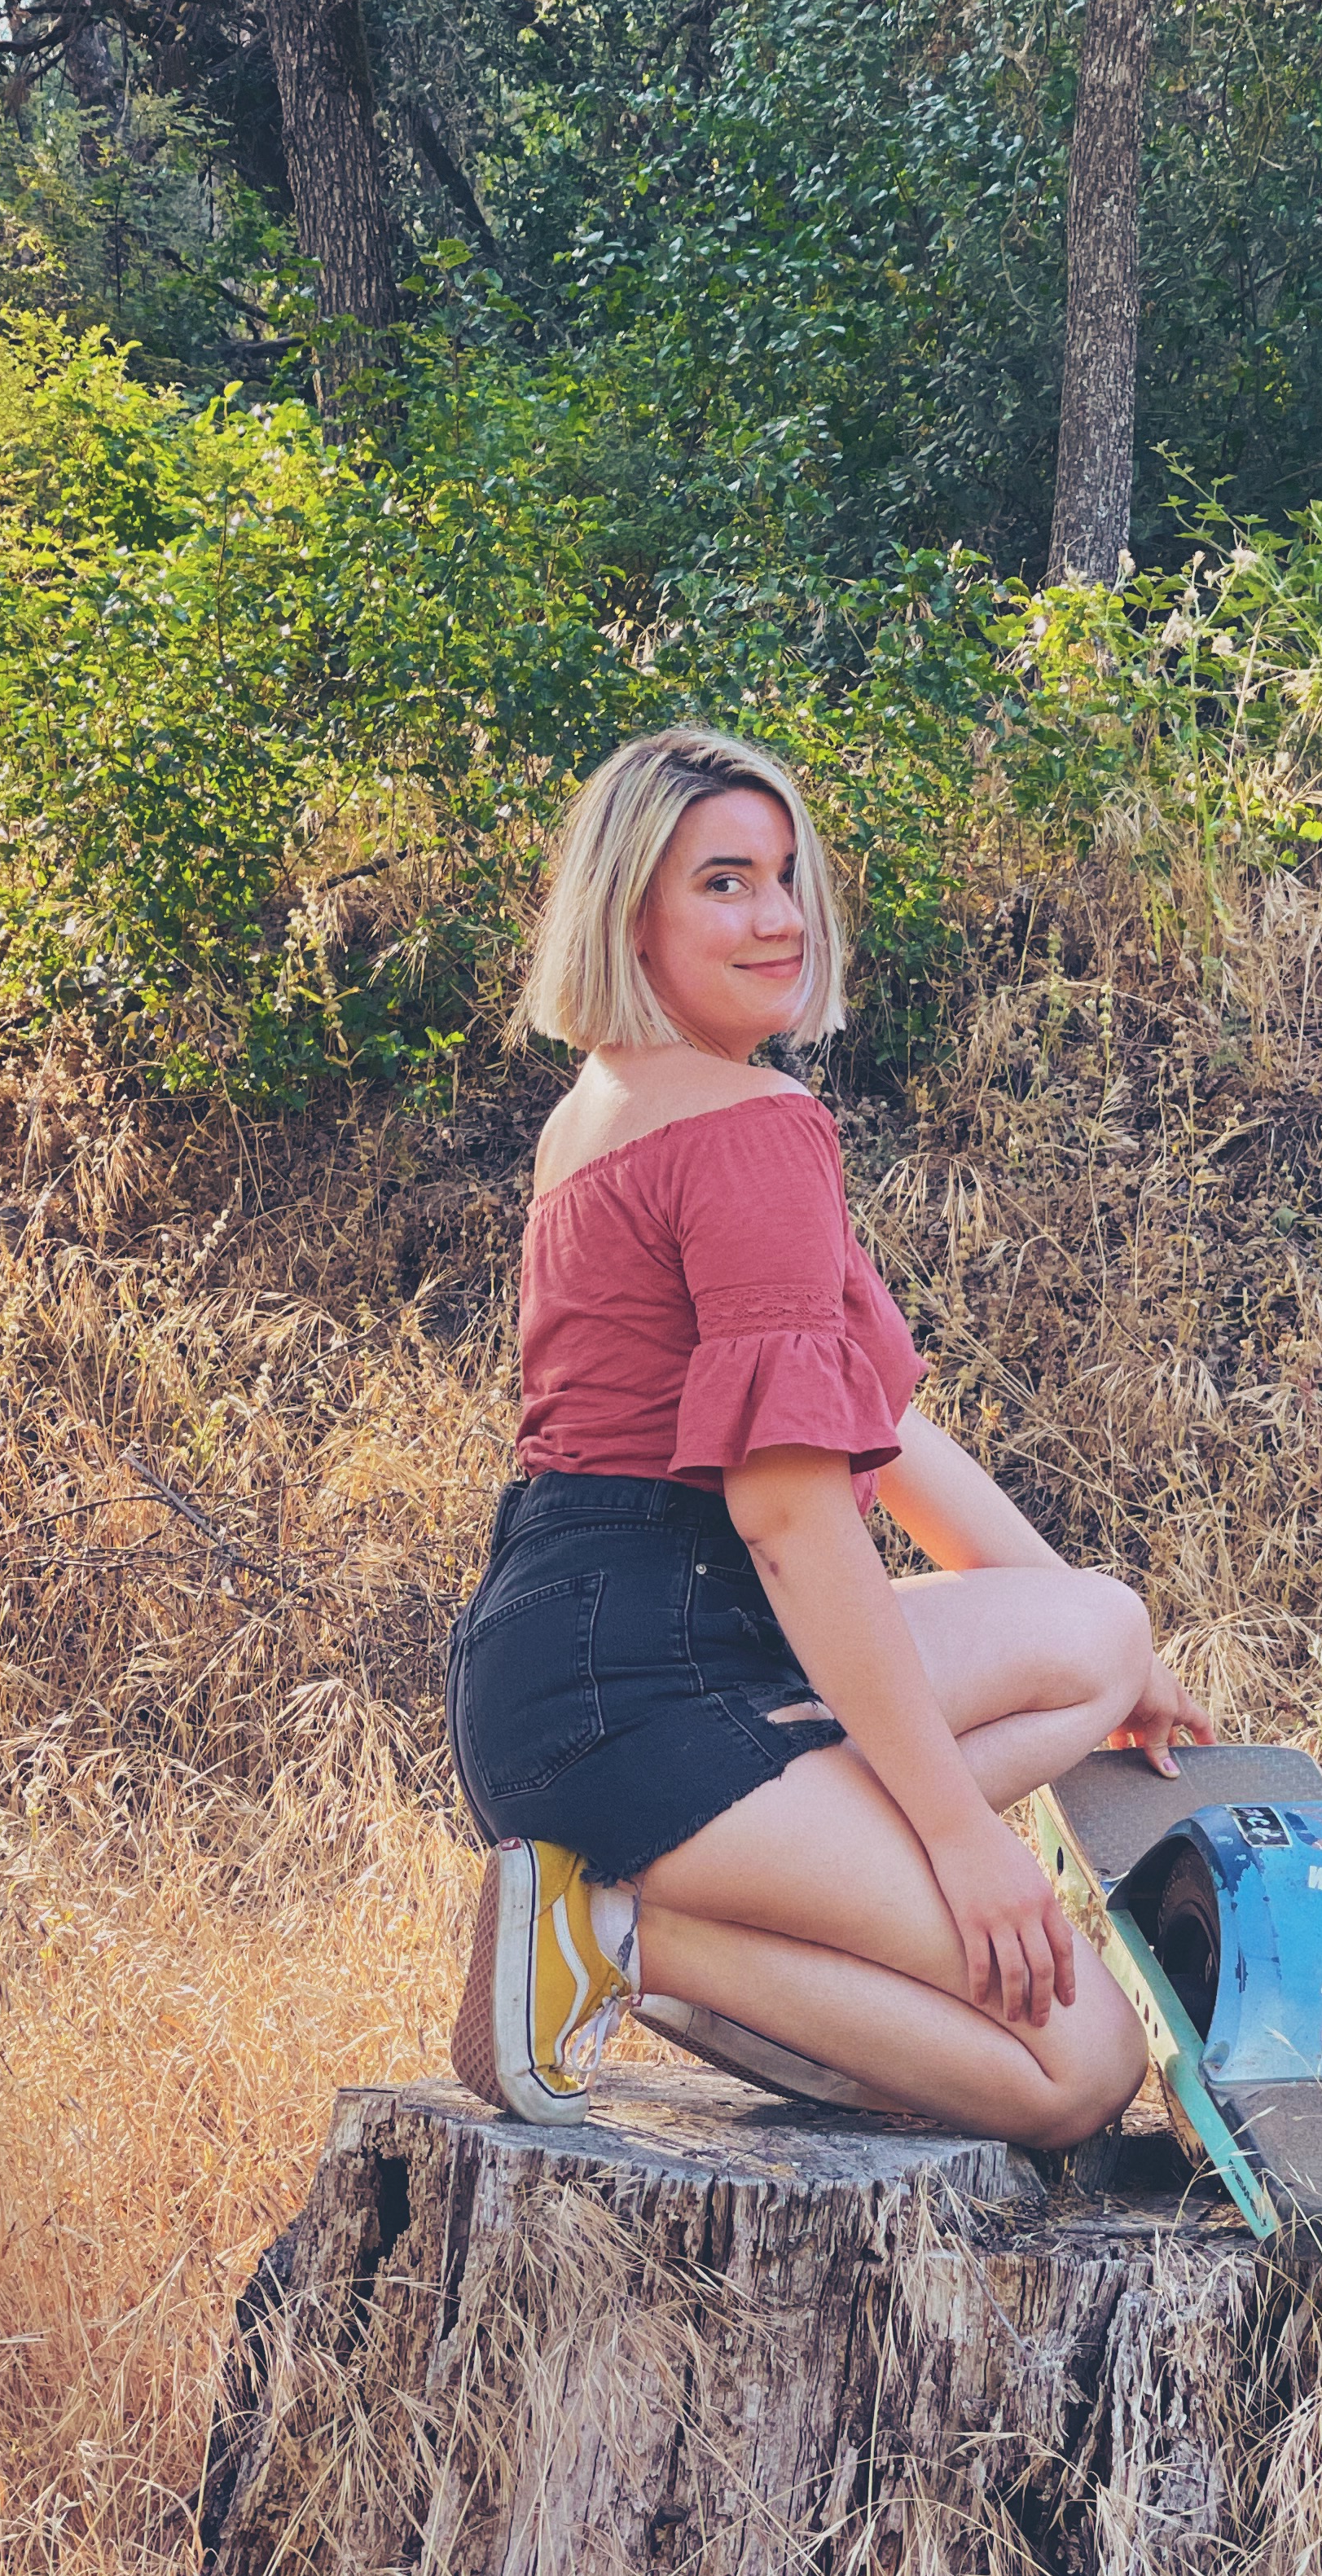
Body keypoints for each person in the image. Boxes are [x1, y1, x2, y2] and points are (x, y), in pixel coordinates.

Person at [446, 725, 1213, 2145]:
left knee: (1099, 1630)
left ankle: (720, 1907)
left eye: (787, 874)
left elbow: (883, 1430)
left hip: (581, 1664)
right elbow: (790, 1518)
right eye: (724, 883)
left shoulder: (604, 1109)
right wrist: (963, 1841)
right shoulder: (752, 1126)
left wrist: (1130, 1668)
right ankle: (625, 1934)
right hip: (653, 1695)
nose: (782, 917)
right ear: (629, 915)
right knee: (1084, 2067)